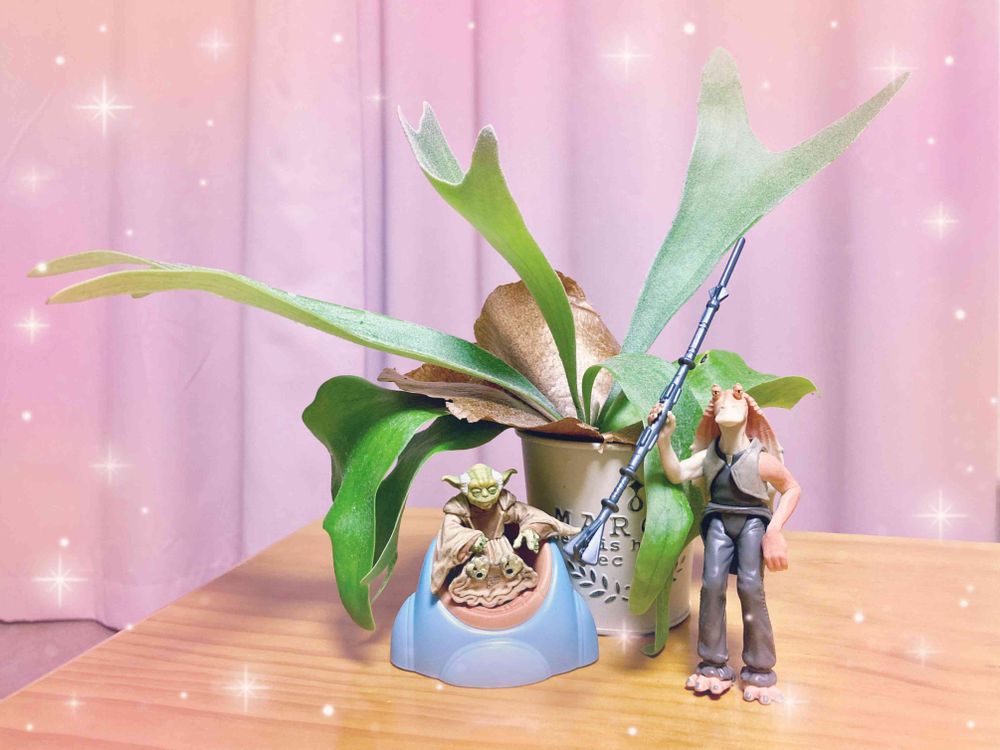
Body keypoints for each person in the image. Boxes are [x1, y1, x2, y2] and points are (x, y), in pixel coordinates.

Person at [648, 383, 801, 705]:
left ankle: (760, 670)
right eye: (718, 398)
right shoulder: (709, 457)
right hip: (718, 521)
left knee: (750, 586)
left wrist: (774, 531)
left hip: (752, 523)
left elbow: (791, 488)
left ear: (748, 410)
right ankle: (712, 665)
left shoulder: (760, 460)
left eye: (736, 397)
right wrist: (664, 438)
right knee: (712, 584)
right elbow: (676, 473)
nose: (726, 402)